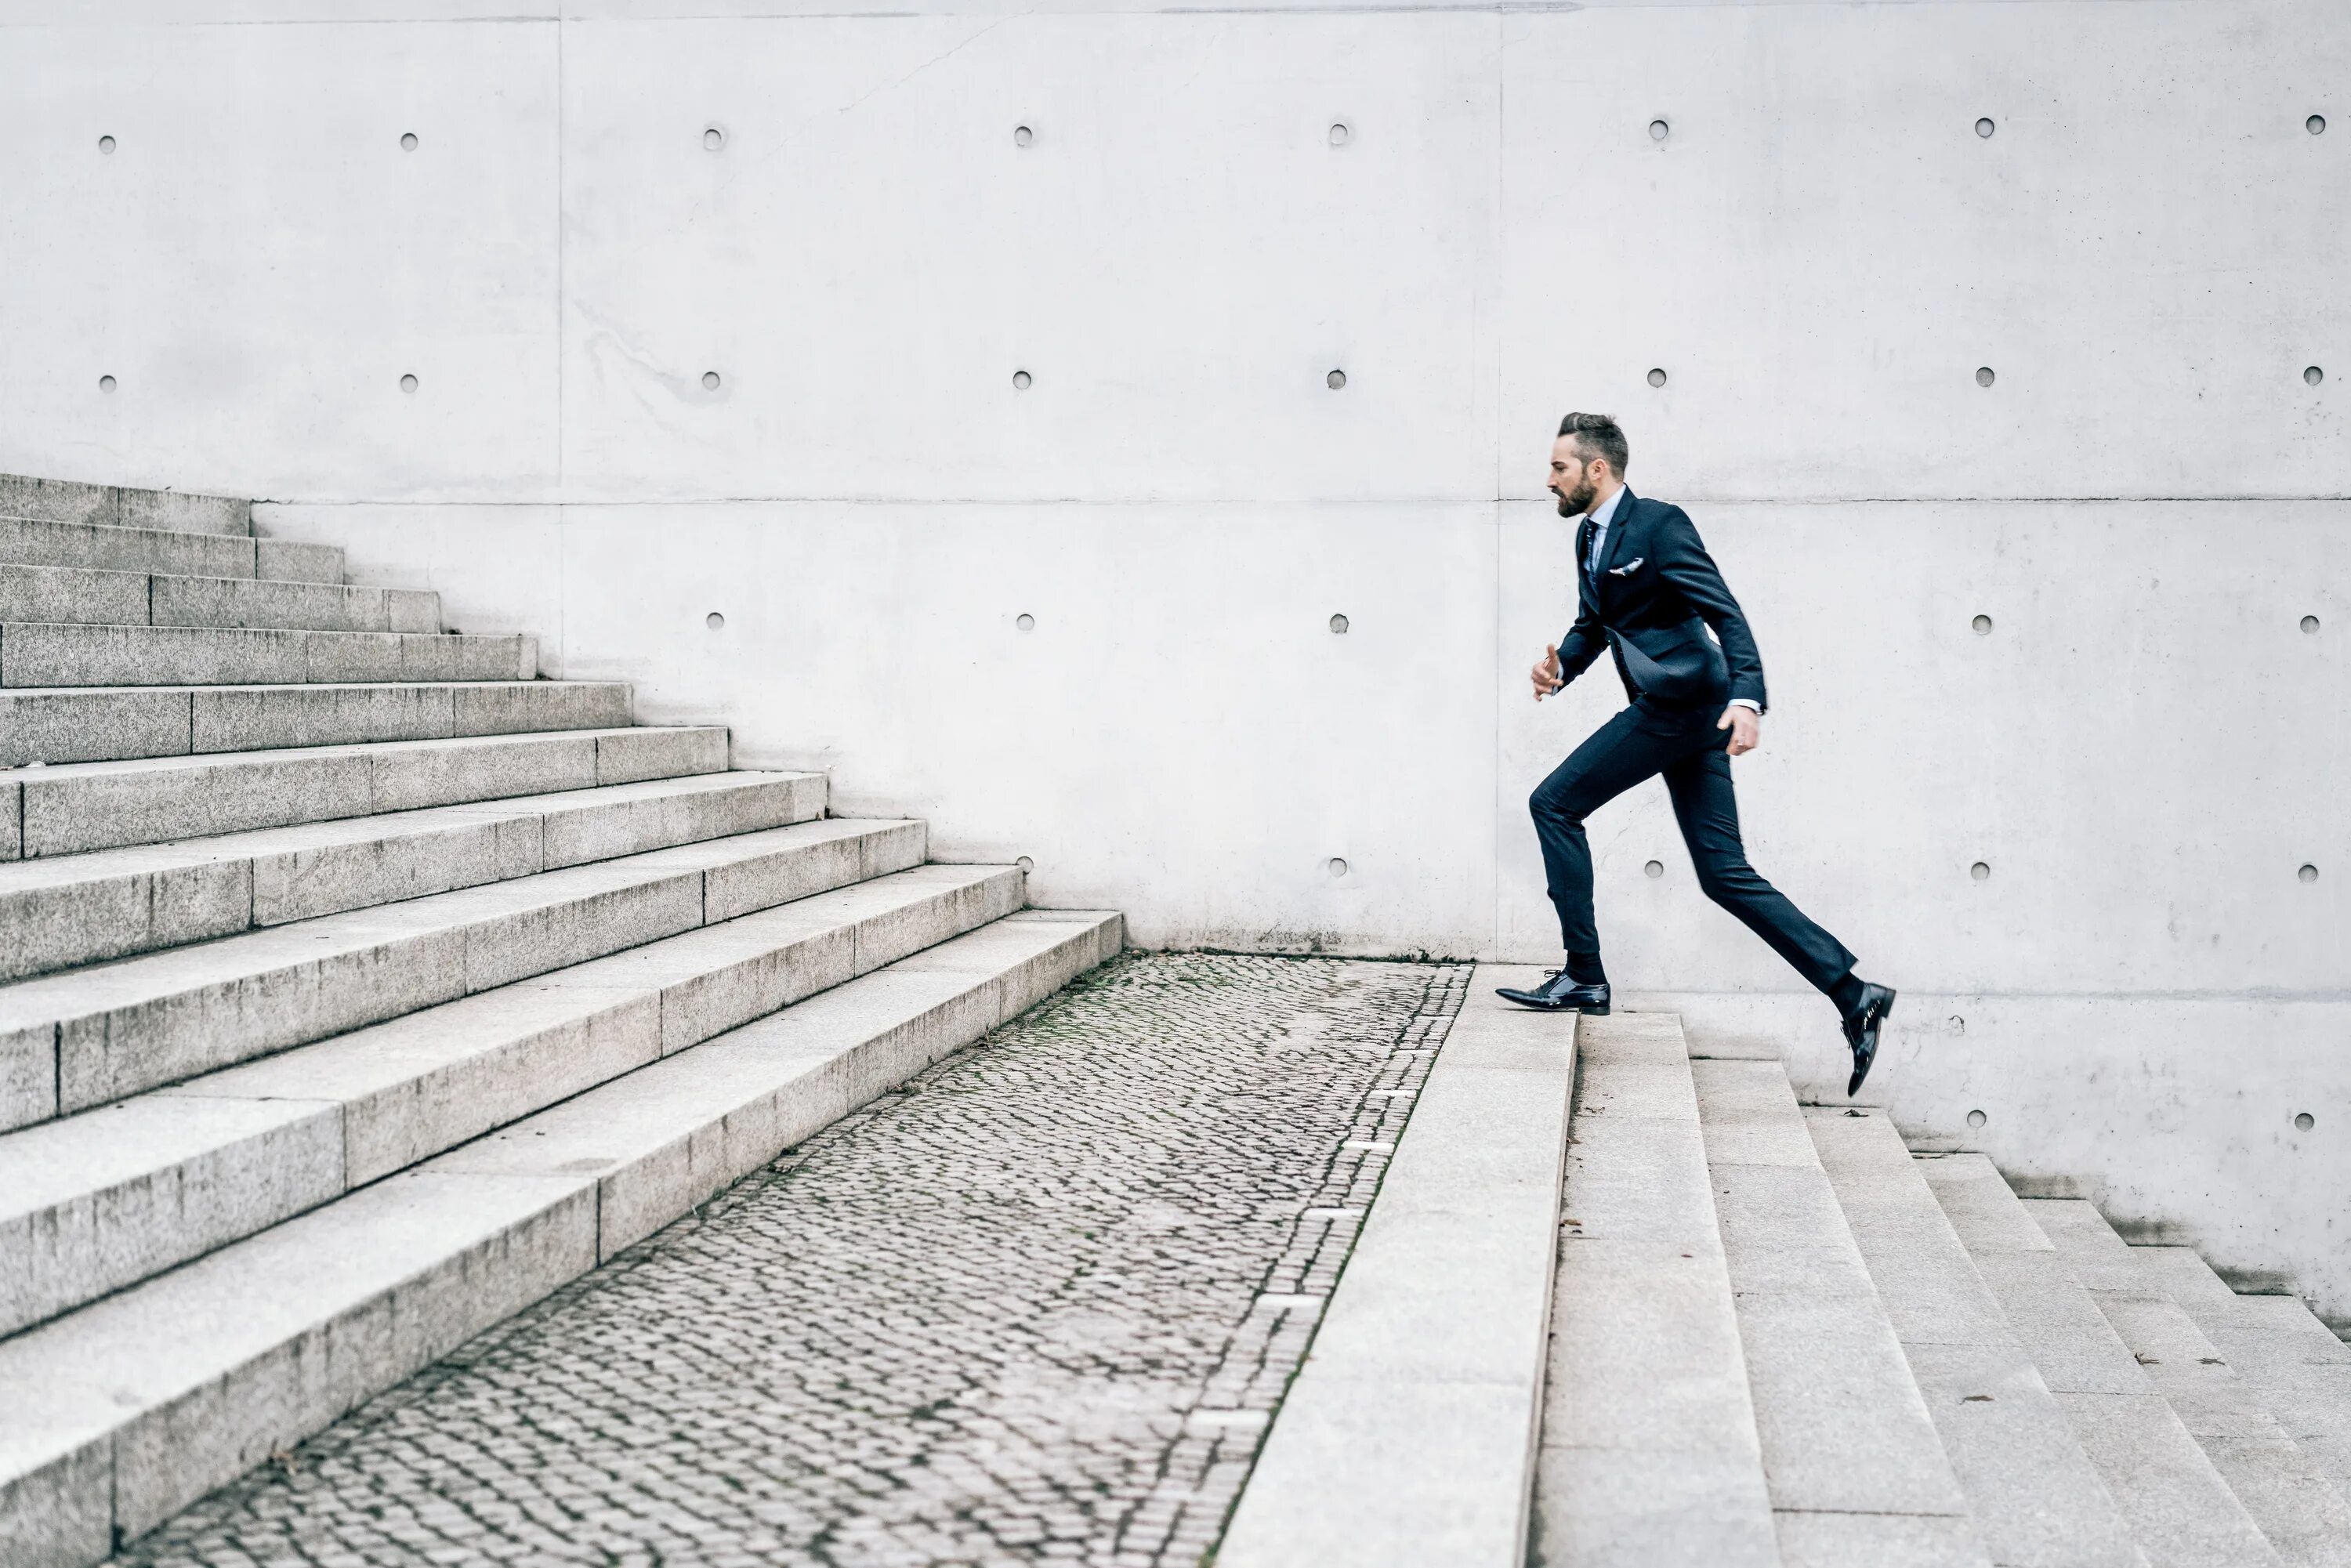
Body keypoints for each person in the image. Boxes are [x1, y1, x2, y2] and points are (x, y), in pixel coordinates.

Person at [1497, 412, 1895, 1095]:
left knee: (1554, 803)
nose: (1549, 479)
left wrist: (1749, 697)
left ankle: (1584, 975)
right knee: (1723, 872)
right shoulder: (1591, 536)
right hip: (1684, 711)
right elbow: (1597, 622)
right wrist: (1560, 664)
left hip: (1685, 707)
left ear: (1597, 469)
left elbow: (1726, 611)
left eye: (1559, 466)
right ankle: (1853, 992)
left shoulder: (1659, 524)